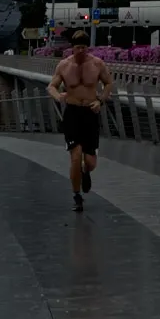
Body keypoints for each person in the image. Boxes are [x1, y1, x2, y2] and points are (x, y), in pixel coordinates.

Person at [47, 31, 113, 211]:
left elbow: (108, 83)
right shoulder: (64, 65)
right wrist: (58, 96)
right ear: (72, 48)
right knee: (75, 157)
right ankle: (77, 196)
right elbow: (52, 86)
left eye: (84, 47)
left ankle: (85, 172)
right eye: (77, 48)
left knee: (90, 163)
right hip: (73, 113)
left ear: (87, 48)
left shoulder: (97, 64)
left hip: (90, 113)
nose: (80, 51)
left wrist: (100, 101)